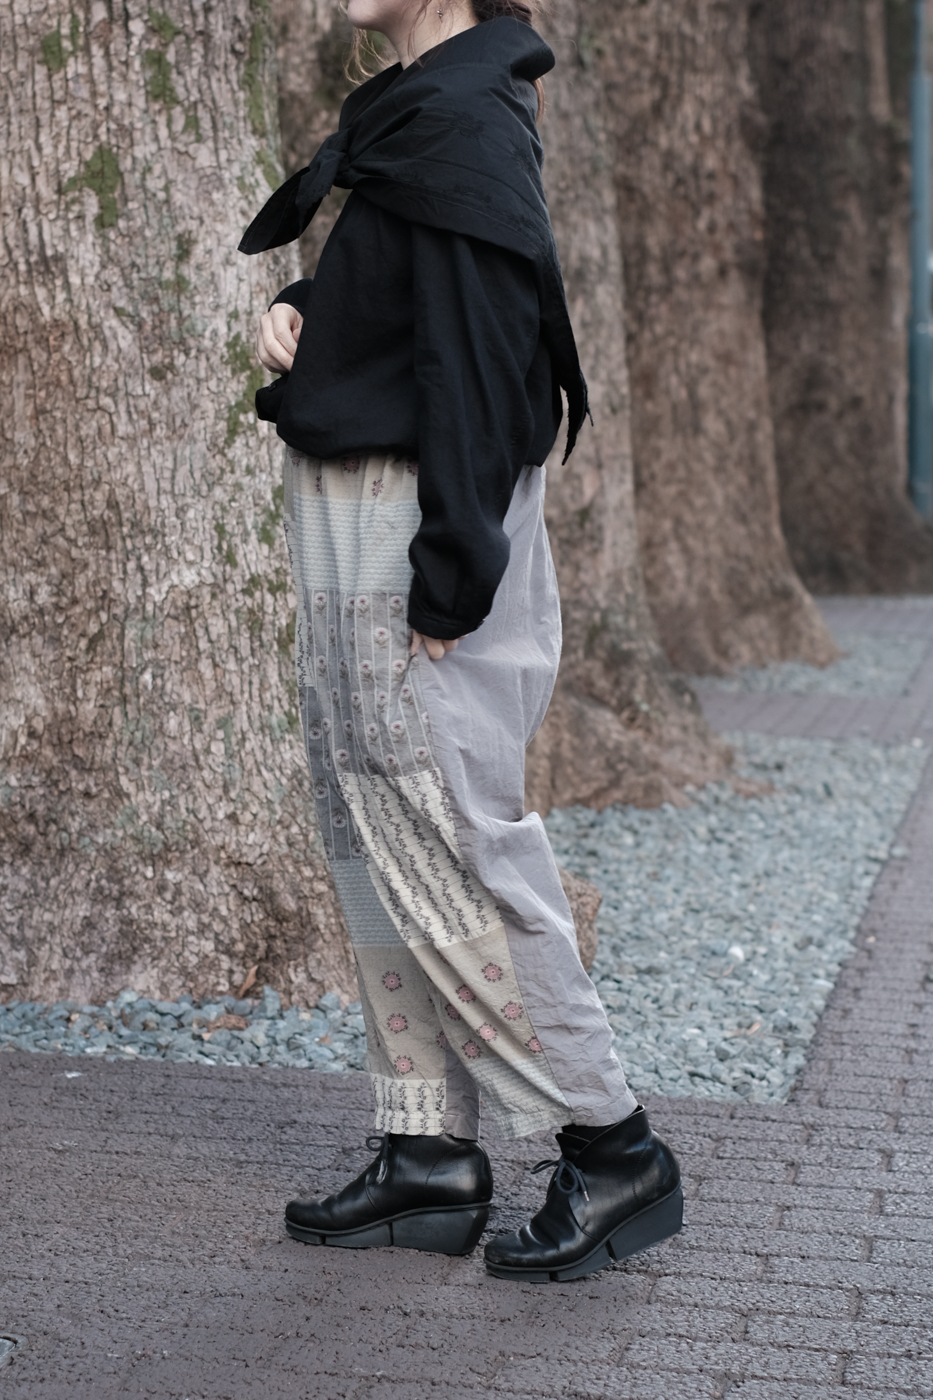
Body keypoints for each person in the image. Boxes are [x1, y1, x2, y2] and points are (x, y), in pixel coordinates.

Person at [241, 0, 682, 1283]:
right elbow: (419, 309)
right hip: (363, 513)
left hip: (415, 529)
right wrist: (305, 308)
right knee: (370, 833)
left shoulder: (463, 115)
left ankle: (612, 1143)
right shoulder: (420, 105)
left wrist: (452, 582)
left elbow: (490, 363)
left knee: (450, 834)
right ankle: (427, 1146)